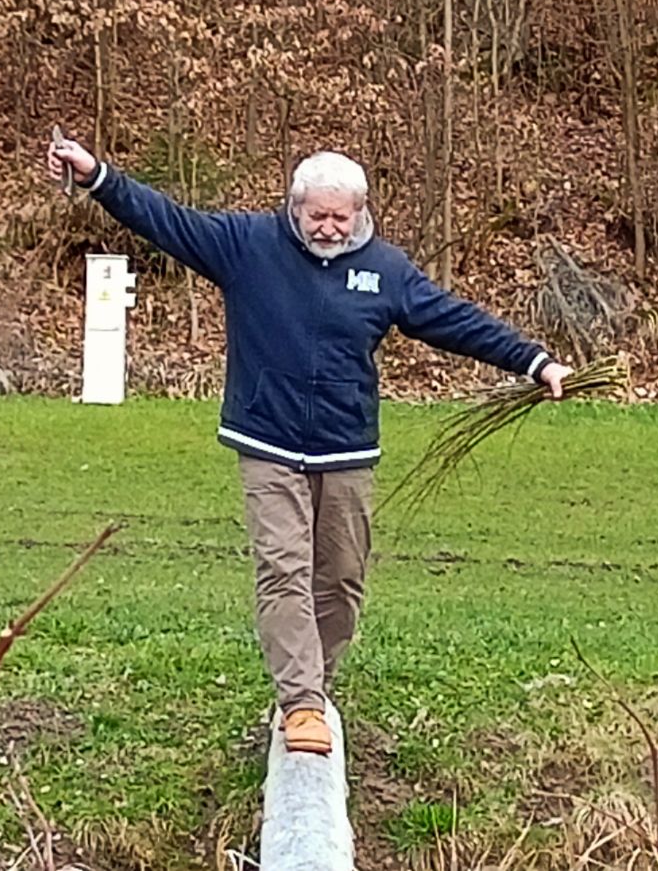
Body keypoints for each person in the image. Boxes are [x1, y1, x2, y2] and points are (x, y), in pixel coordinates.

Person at [44, 137, 571, 756]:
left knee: (341, 580)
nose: (328, 228)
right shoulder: (247, 246)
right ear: (294, 208)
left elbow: (455, 320)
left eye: (339, 217)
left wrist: (534, 361)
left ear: (360, 212)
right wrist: (98, 176)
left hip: (346, 448)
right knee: (284, 571)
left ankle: (314, 685)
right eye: (317, 215)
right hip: (265, 440)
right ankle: (300, 703)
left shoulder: (387, 270)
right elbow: (166, 221)